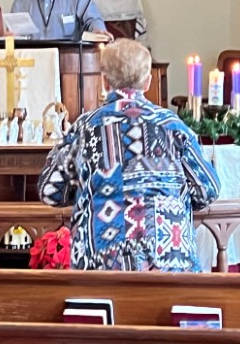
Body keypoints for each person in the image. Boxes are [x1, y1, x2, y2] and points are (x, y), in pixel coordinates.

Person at [38, 39, 221, 271]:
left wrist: (87, 189)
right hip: (171, 268)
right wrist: (170, 197)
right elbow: (208, 189)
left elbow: (49, 191)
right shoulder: (173, 126)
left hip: (101, 272)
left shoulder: (85, 128)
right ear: (147, 82)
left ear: (105, 81)